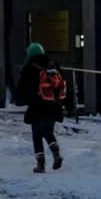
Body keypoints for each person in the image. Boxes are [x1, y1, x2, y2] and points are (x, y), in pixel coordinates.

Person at [14, 42, 65, 174]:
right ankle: (56, 152)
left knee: (36, 134)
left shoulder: (30, 67)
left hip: (37, 105)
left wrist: (19, 100)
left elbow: (22, 88)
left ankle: (40, 164)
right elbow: (63, 83)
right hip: (53, 105)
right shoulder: (53, 64)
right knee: (48, 131)